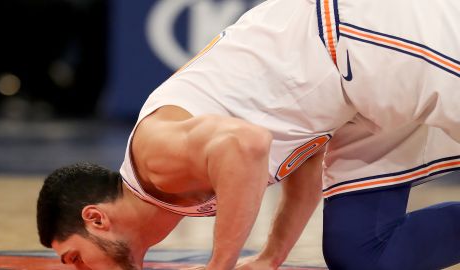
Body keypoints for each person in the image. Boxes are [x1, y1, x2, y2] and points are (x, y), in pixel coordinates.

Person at [37, 0, 460, 269]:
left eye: (73, 259)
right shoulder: (165, 179)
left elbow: (247, 146)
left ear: (96, 218)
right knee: (363, 253)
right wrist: (270, 257)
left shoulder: (154, 156)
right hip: (342, 104)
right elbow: (305, 153)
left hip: (351, 34)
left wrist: (220, 265)